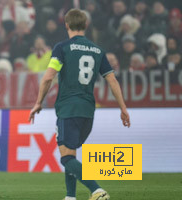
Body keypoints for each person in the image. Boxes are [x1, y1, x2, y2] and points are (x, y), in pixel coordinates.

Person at [29, 9, 130, 200]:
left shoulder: (62, 48)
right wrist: (123, 108)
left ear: (66, 25)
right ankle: (70, 197)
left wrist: (37, 103)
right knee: (71, 154)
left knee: (66, 158)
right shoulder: (98, 50)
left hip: (68, 108)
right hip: (88, 111)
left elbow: (49, 77)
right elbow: (112, 81)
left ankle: (97, 190)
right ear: (86, 25)